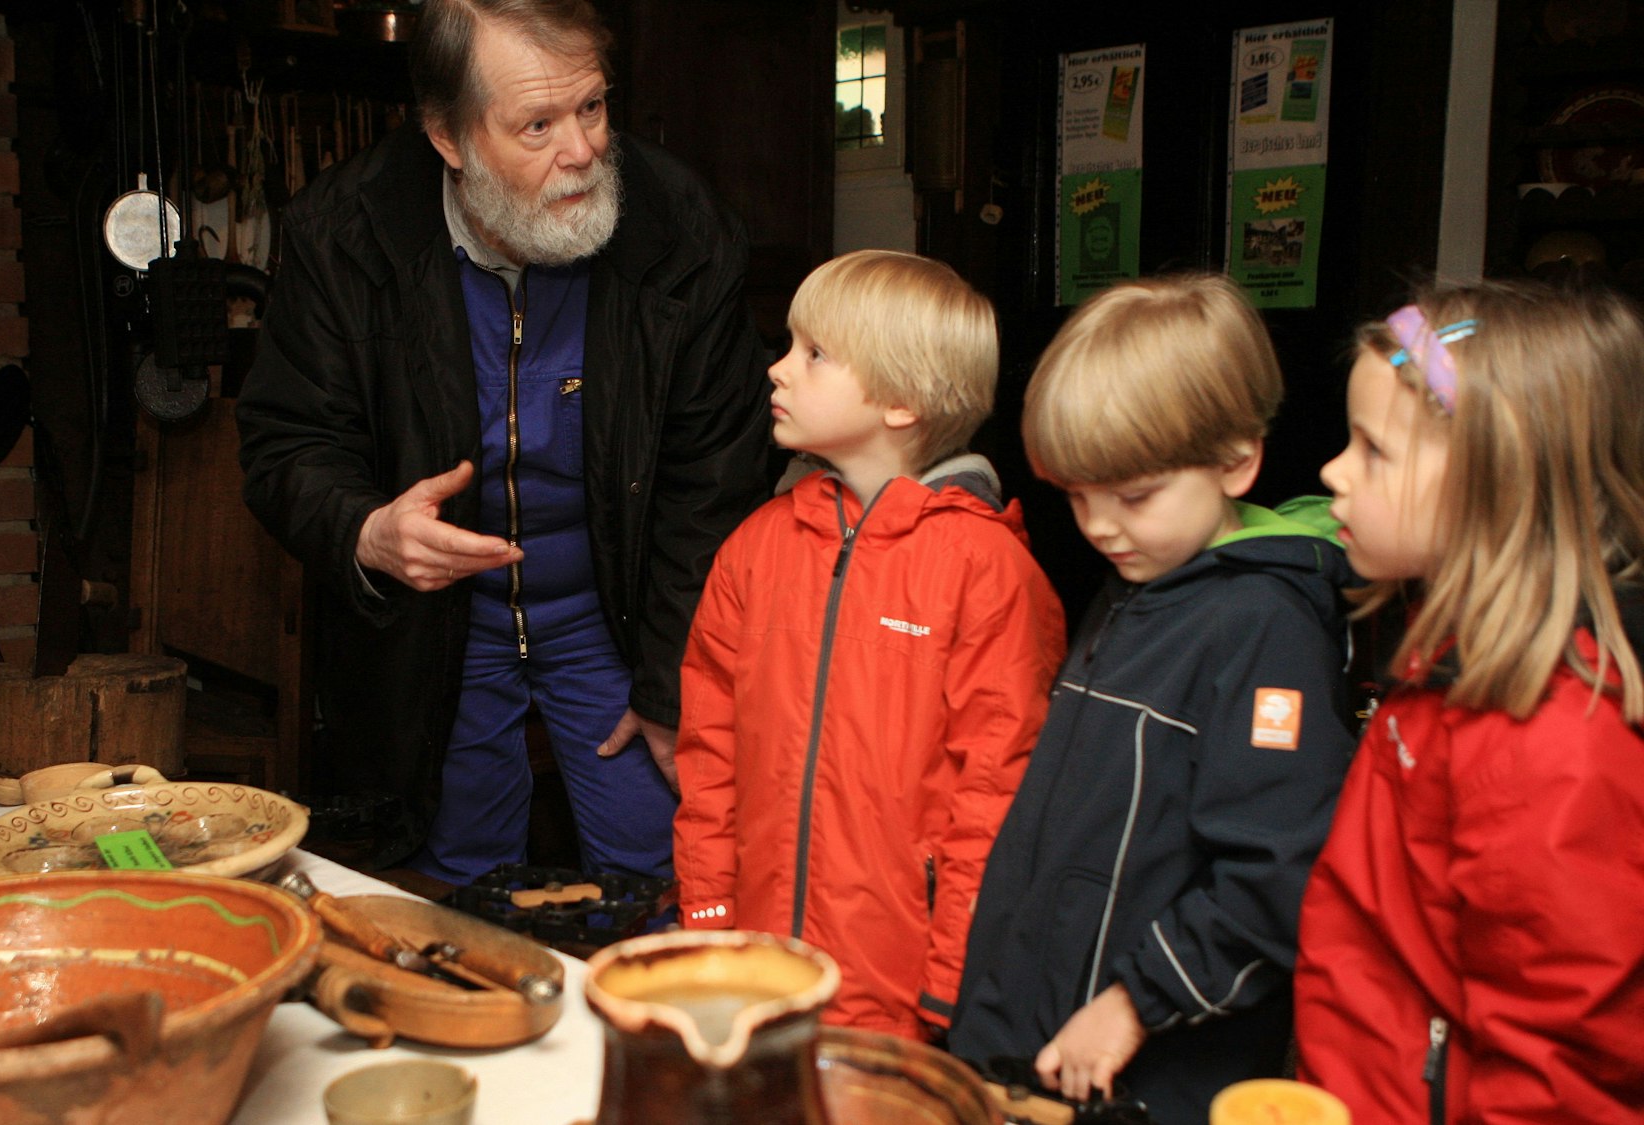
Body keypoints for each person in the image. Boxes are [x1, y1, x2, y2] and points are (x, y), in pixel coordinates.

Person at [235, 0, 773, 881]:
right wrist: (368, 530)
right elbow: (286, 443)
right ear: (449, 137)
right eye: (538, 125)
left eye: (592, 107)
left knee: (667, 867)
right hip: (439, 628)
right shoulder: (345, 233)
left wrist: (673, 677)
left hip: (623, 610)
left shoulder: (680, 225)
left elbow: (715, 475)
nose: (584, 150)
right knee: (453, 887)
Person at [945, 274, 1357, 1120]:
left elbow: (1276, 876)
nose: (1099, 526)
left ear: (1236, 462)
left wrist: (1136, 1001)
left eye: (1133, 495)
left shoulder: (1265, 627)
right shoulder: (1137, 586)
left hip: (1143, 1071)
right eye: (1077, 495)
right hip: (1040, 1046)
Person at [673, 250, 1066, 1040]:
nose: (778, 368)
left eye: (814, 352)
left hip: (900, 989)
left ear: (901, 401)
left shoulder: (987, 570)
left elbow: (996, 794)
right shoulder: (757, 548)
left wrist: (954, 980)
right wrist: (708, 919)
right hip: (757, 969)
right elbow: (710, 757)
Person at [1295, 283, 1644, 1123]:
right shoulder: (1446, 661)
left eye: (1374, 450)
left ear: (1497, 483)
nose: (1333, 470)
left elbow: (1561, 1068)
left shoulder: (1550, 737)